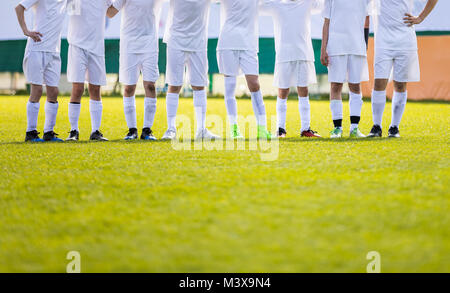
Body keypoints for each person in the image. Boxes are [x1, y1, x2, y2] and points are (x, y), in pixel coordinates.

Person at [367, 0, 438, 138]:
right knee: (379, 84)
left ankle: (394, 127)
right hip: (383, 42)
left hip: (405, 40)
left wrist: (421, 17)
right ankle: (377, 126)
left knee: (400, 84)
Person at [261, 0, 321, 138]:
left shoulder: (307, 3)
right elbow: (257, 6)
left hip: (303, 53)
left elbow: (323, 5)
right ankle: (280, 129)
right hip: (284, 55)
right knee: (283, 90)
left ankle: (306, 129)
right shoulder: (275, 4)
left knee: (303, 90)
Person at [161, 0, 220, 141]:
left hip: (198, 43)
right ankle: (170, 129)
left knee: (199, 86)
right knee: (174, 85)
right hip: (176, 41)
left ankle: (201, 130)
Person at [107, 0, 163, 141]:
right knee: (129, 88)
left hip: (149, 43)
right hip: (129, 44)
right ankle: (132, 130)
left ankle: (147, 130)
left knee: (150, 85)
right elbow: (110, 13)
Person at [217, 0, 272, 140]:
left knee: (254, 83)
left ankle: (262, 128)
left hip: (249, 44)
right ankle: (234, 128)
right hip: (228, 42)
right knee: (230, 87)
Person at [15, 0, 67, 142]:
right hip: (36, 49)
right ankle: (30, 132)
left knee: (53, 92)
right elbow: (19, 8)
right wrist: (26, 30)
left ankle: (48, 133)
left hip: (54, 51)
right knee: (36, 91)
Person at [66, 0, 116, 141]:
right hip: (77, 46)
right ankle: (73, 131)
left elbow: (111, 13)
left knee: (95, 89)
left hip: (97, 47)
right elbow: (66, 8)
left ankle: (95, 132)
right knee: (77, 89)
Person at [321, 0, 371, 138]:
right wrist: (323, 48)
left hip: (357, 46)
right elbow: (326, 23)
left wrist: (365, 43)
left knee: (355, 86)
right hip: (336, 46)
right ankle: (337, 128)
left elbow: (367, 19)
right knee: (336, 86)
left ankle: (354, 128)